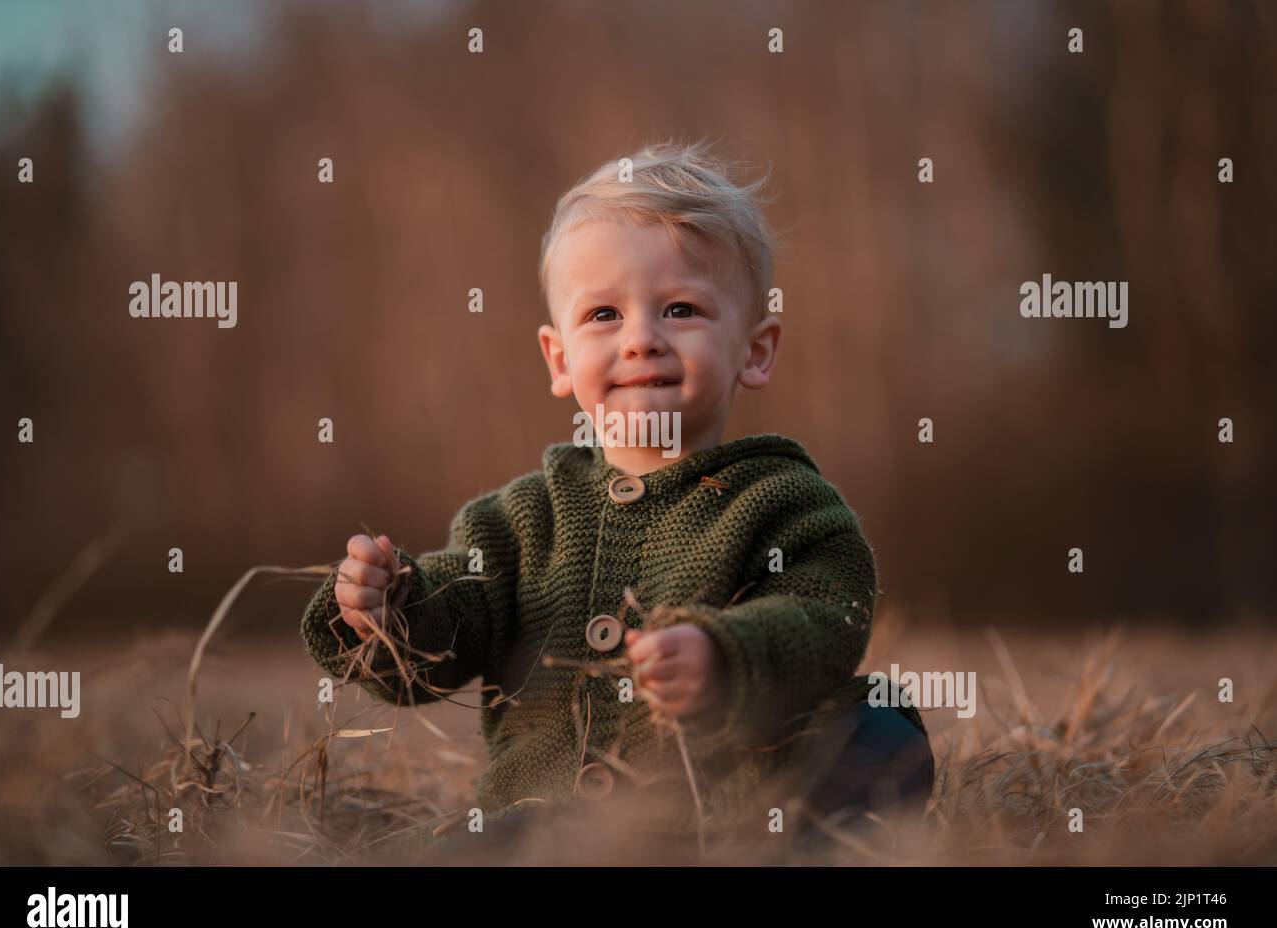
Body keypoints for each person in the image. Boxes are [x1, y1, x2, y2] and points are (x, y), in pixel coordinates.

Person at [300, 139, 933, 860]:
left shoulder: (787, 504)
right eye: (604, 315)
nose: (641, 340)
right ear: (560, 357)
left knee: (882, 724)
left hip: (729, 818)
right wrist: (386, 611)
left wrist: (724, 657)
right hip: (547, 826)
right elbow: (451, 629)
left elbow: (827, 619)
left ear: (754, 351)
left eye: (681, 308)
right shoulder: (515, 523)